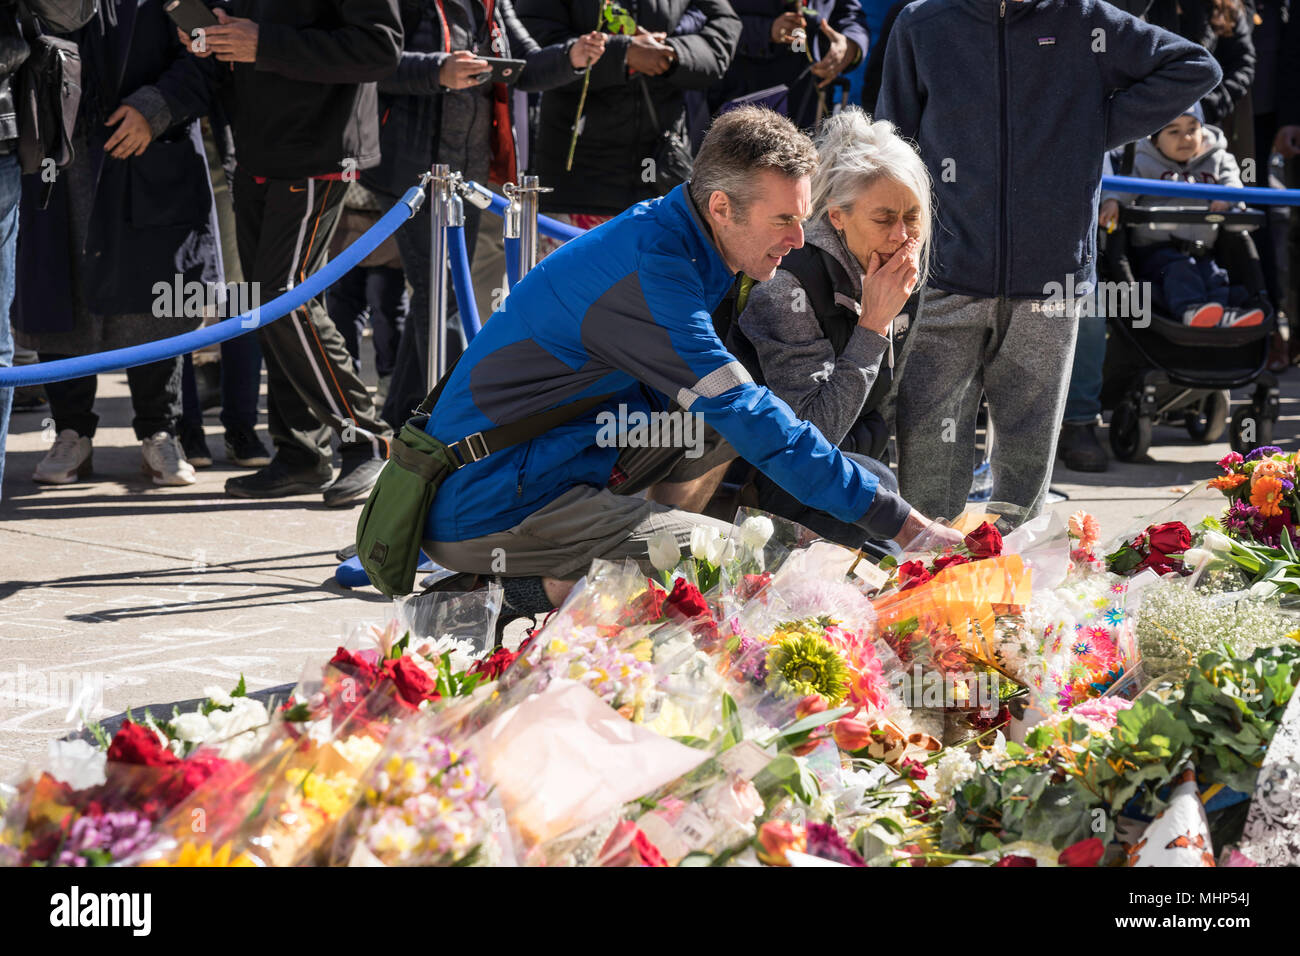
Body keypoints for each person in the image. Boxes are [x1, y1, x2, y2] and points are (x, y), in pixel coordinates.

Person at [419, 107, 959, 624]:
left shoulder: (681, 233)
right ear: (722, 207)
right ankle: (482, 600)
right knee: (724, 565)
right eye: (783, 221)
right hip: (490, 500)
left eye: (803, 219)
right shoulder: (656, 272)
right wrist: (901, 522)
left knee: (717, 434)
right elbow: (751, 415)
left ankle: (629, 551)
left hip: (548, 463)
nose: (798, 240)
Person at [876, 0, 1221, 524]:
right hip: (942, 269)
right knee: (928, 445)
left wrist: (1092, 127)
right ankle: (922, 575)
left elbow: (1197, 67)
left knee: (1025, 454)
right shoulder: (924, 22)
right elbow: (891, 140)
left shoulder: (1085, 19)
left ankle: (1014, 578)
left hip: (1051, 276)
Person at [178, 1, 402, 506]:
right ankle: (301, 452)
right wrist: (210, 38)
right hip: (258, 144)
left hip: (320, 149)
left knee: (284, 299)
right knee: (266, 303)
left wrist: (265, 43)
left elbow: (382, 48)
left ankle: (370, 440)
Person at [361, 0, 608, 431]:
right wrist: (436, 69)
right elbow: (369, 58)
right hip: (412, 171)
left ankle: (402, 417)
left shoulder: (495, 3)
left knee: (437, 294)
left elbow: (526, 64)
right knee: (442, 293)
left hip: (467, 172)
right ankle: (449, 424)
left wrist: (572, 56)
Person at [16, 0, 223, 488]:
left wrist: (156, 108)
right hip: (55, 156)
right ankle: (70, 431)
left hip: (149, 151)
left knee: (154, 299)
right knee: (61, 294)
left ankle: (160, 432)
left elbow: (210, 49)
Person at [728, 107, 929, 548]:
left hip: (858, 476)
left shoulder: (896, 271)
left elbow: (892, 408)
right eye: (883, 219)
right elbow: (811, 440)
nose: (901, 235)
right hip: (769, 490)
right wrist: (874, 325)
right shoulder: (785, 285)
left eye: (912, 217)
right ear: (837, 217)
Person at [518, 0, 740, 222]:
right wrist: (625, 54)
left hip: (658, 169)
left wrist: (673, 54)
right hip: (579, 179)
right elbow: (535, 56)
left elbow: (724, 24)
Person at [1101, 102, 1265, 327]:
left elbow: (1233, 181)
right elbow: (1124, 187)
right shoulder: (1143, 160)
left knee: (1215, 277)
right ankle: (1190, 310)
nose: (1185, 138)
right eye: (1174, 131)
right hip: (1157, 251)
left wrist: (1227, 197)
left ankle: (1221, 315)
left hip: (1203, 249)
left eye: (1192, 129)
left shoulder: (1218, 158)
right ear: (1155, 138)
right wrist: (1112, 201)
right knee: (1180, 270)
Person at [707, 0, 867, 130]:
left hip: (810, 107)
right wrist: (766, 31)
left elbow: (850, 15)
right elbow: (705, 20)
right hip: (743, 104)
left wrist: (849, 46)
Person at [326, 181, 409, 407]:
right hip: (344, 217)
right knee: (341, 306)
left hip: (389, 214)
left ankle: (390, 378)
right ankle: (345, 379)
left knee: (384, 303)